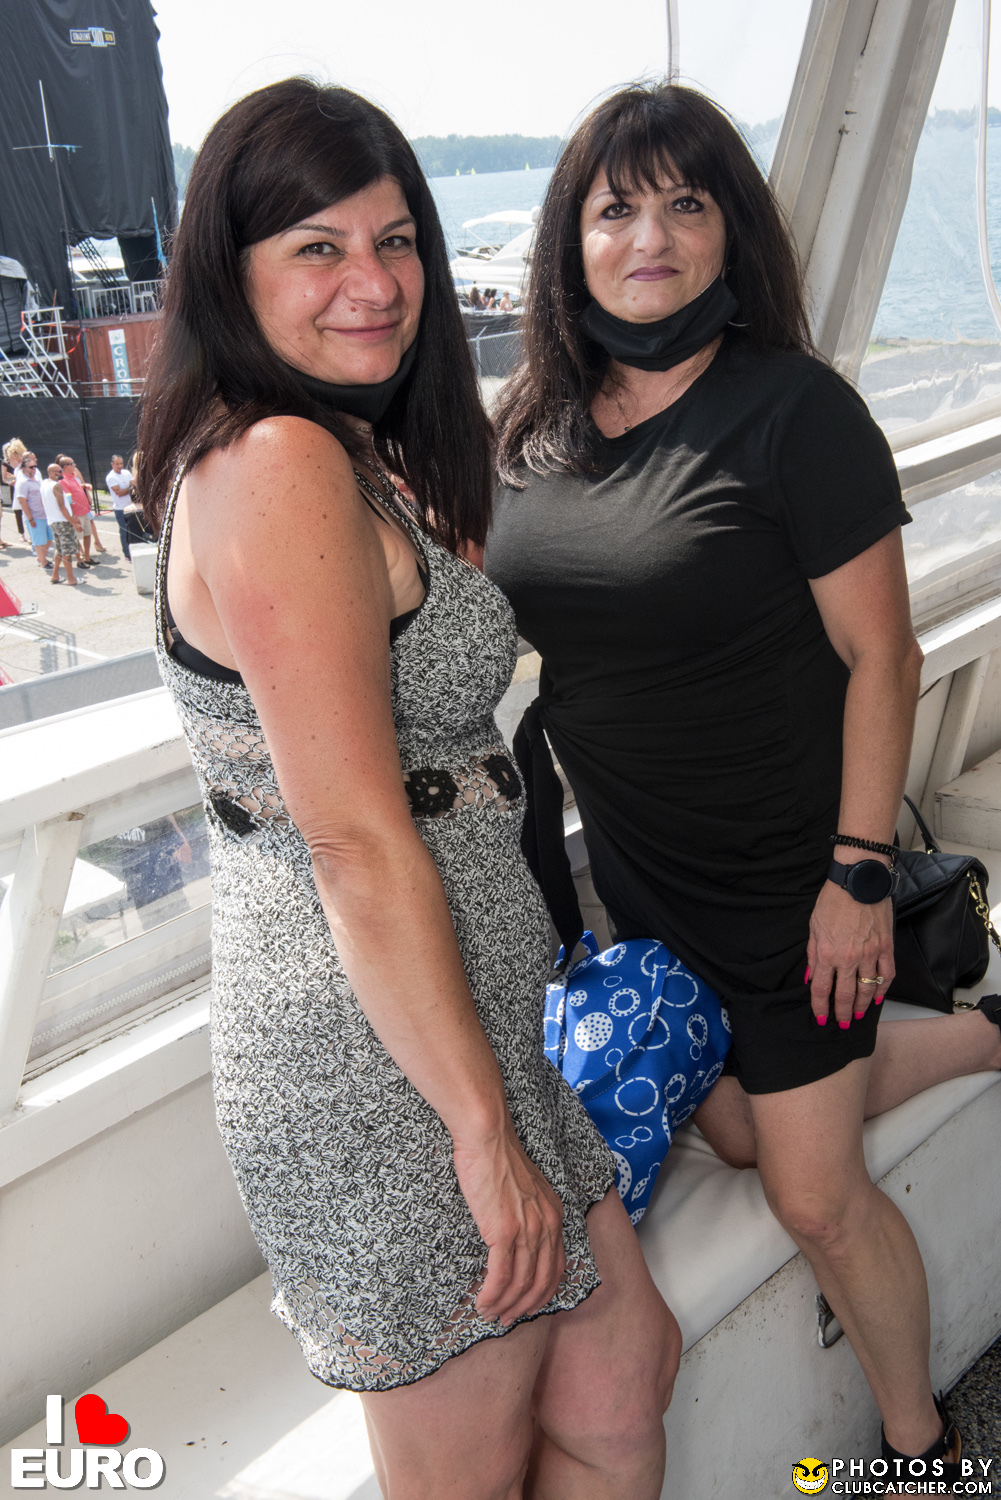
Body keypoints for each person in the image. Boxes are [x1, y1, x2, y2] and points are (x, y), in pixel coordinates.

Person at [137, 77, 678, 1500]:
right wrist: (481, 1137)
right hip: (381, 1063)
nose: (373, 284)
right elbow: (355, 845)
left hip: (469, 1011)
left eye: (394, 242)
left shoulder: (349, 447)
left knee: (622, 1380)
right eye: (316, 248)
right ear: (230, 272)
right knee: (467, 1470)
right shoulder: (273, 464)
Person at [487, 82, 1000, 1479]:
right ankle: (982, 1036)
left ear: (730, 233)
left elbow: (882, 657)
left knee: (811, 1192)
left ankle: (921, 1446)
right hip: (644, 884)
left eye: (685, 203)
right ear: (570, 240)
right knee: (725, 1118)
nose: (647, 236)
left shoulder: (793, 412)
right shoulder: (532, 428)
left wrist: (856, 879)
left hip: (791, 876)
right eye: (614, 208)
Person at [59, 454, 107, 562]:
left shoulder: (72, 476)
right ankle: (79, 560)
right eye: (72, 463)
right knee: (75, 538)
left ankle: (87, 558)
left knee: (87, 534)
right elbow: (67, 500)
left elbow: (76, 488)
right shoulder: (62, 480)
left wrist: (84, 486)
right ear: (66, 466)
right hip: (76, 514)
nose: (74, 465)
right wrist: (73, 517)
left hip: (84, 511)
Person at [40, 461, 80, 585]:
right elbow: (62, 507)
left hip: (53, 521)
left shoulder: (44, 484)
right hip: (62, 522)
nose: (61, 473)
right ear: (52, 473)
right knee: (67, 552)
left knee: (59, 550)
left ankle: (55, 575)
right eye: (59, 471)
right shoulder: (56, 486)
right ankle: (71, 579)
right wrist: (73, 522)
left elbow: (42, 503)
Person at [13, 452, 51, 567]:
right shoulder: (22, 483)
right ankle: (44, 562)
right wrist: (30, 518)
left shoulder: (37, 479)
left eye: (34, 466)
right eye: (31, 467)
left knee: (49, 538)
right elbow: (22, 502)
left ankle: (41, 558)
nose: (33, 469)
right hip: (35, 516)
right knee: (39, 541)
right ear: (24, 469)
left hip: (44, 514)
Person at [105, 453, 134, 557]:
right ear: (112, 464)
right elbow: (119, 493)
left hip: (131, 507)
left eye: (121, 463)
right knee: (124, 531)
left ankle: (133, 551)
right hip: (120, 509)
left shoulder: (126, 472)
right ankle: (127, 553)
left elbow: (132, 485)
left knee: (133, 530)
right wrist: (130, 489)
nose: (119, 466)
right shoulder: (111, 477)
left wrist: (129, 489)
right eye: (117, 464)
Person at [4, 439, 27, 540]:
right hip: (15, 489)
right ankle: (22, 533)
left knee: (27, 512)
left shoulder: (24, 465)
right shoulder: (7, 464)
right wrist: (12, 480)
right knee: (18, 512)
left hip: (25, 491)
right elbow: (5, 479)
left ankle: (32, 536)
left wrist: (16, 481)